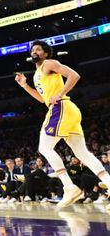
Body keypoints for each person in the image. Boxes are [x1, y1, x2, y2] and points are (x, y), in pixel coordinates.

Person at [15, 40, 110, 208]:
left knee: (44, 148)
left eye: (38, 49)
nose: (34, 52)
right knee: (83, 155)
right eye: (32, 50)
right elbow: (42, 99)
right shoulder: (38, 73)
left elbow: (74, 75)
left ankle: (69, 187)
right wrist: (24, 86)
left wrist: (60, 94)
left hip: (61, 108)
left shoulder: (49, 63)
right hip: (64, 110)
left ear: (45, 53)